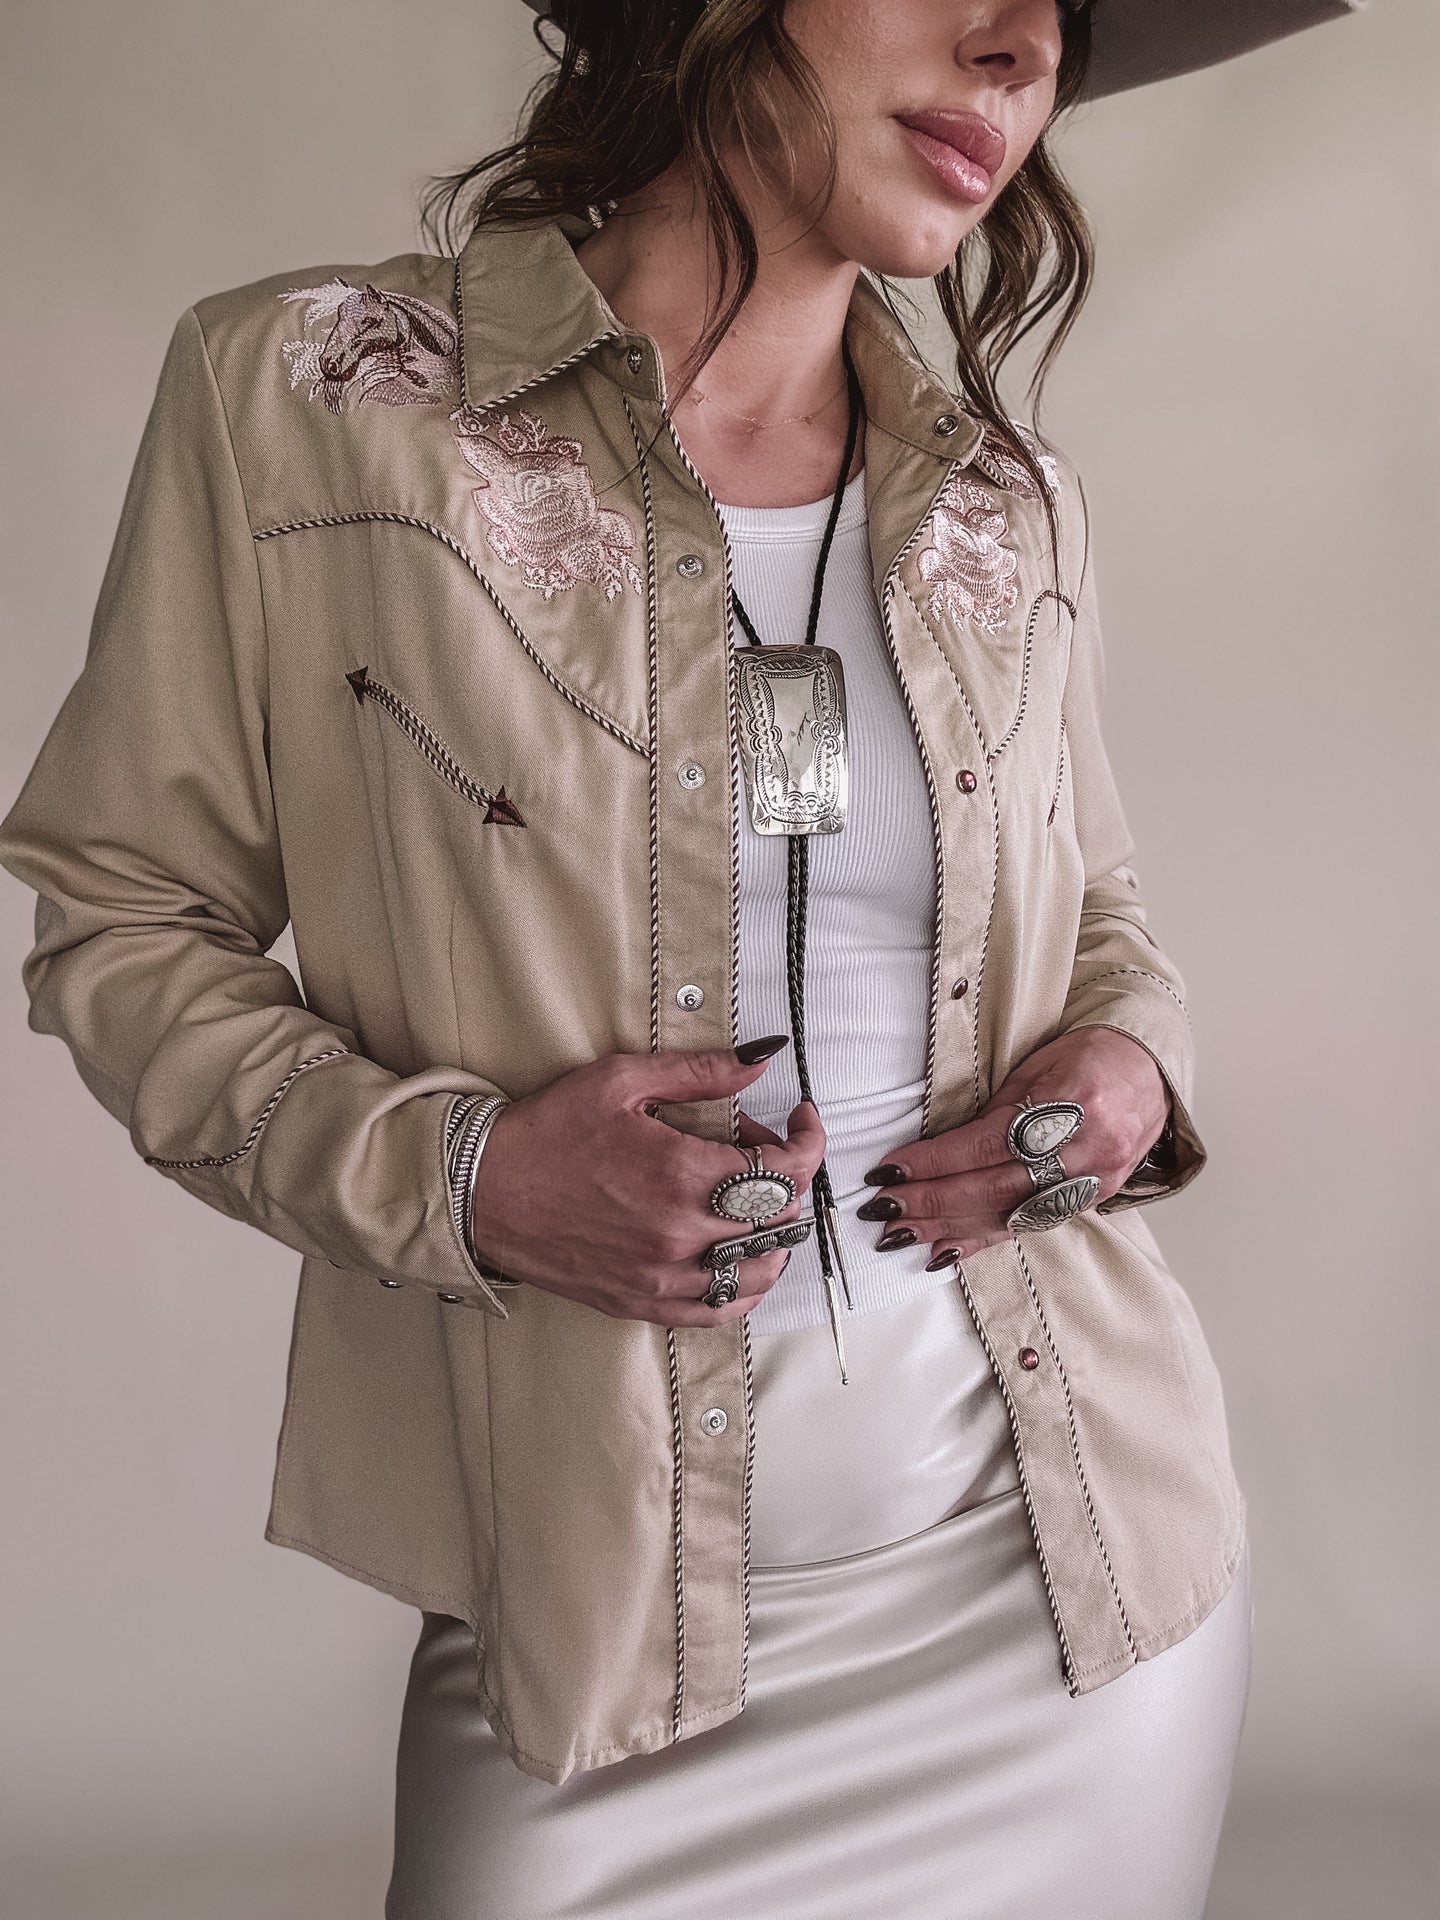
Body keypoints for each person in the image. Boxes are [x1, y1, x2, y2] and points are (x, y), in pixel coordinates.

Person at [0, 0, 1357, 1914]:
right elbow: (123, 913)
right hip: (597, 1621)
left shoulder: (1003, 497)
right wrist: (467, 1176)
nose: (1017, 50)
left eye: (1059, 12)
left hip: (1059, 1588)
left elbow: (1103, 913)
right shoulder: (314, 401)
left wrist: (1130, 1072)